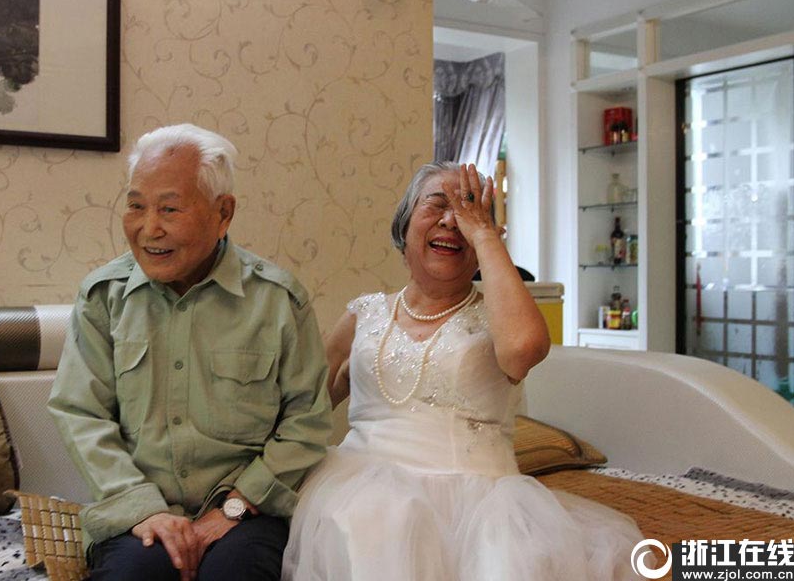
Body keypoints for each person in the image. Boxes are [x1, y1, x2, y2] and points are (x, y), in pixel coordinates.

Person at [282, 162, 645, 580]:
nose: (452, 220)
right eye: (437, 204)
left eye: (470, 210)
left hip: (484, 507)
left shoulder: (497, 318)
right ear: (404, 228)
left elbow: (524, 349)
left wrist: (486, 234)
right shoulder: (365, 315)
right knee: (376, 522)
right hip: (358, 489)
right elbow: (299, 408)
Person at [48, 124, 332, 581]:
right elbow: (80, 412)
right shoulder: (104, 296)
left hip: (245, 512)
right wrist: (144, 509)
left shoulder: (277, 301)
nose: (148, 228)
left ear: (224, 214)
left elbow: (307, 420)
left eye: (170, 208)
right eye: (136, 206)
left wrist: (235, 508)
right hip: (140, 512)